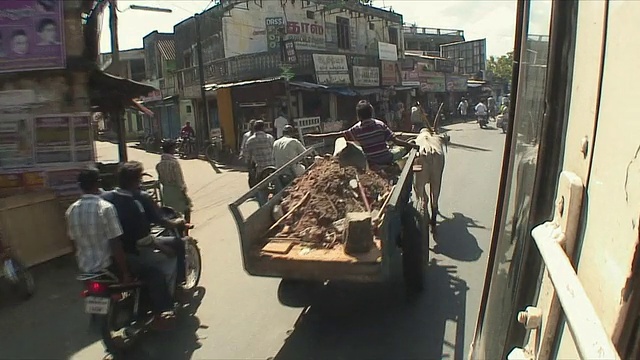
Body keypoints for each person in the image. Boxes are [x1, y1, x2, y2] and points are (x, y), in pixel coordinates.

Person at [101, 162, 188, 330]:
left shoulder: (106, 198)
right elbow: (155, 226)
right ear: (136, 180)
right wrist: (177, 222)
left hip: (110, 253)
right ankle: (170, 299)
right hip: (135, 250)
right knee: (176, 246)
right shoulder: (139, 200)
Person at [65, 168, 131, 282]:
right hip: (107, 268)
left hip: (85, 270)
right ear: (98, 183)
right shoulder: (106, 208)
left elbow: (73, 243)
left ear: (79, 186)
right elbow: (115, 243)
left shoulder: (71, 210)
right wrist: (125, 273)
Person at [306, 100, 419, 166]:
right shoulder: (380, 124)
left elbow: (337, 135)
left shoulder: (356, 129)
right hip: (386, 158)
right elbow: (396, 141)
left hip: (370, 161)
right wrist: (411, 145)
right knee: (402, 149)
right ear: (372, 113)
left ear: (358, 116)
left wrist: (315, 136)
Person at [156, 140, 193, 224]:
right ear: (171, 149)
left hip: (166, 191)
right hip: (176, 190)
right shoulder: (174, 163)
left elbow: (161, 180)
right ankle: (185, 230)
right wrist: (184, 193)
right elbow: (179, 180)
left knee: (171, 213)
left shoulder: (159, 165)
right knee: (187, 209)